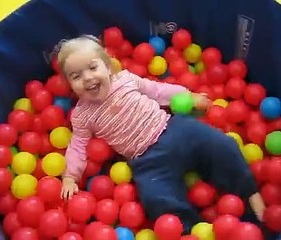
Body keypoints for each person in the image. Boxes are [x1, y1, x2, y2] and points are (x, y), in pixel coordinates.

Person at [57, 35, 266, 232]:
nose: (87, 78)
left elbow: (158, 91)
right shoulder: (82, 116)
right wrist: (70, 177)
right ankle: (190, 231)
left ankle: (250, 194)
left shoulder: (126, 80)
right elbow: (78, 145)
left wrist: (189, 96)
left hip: (172, 129)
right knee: (157, 201)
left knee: (222, 145)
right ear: (70, 86)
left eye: (93, 67)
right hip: (147, 160)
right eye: (76, 76)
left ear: (109, 67)